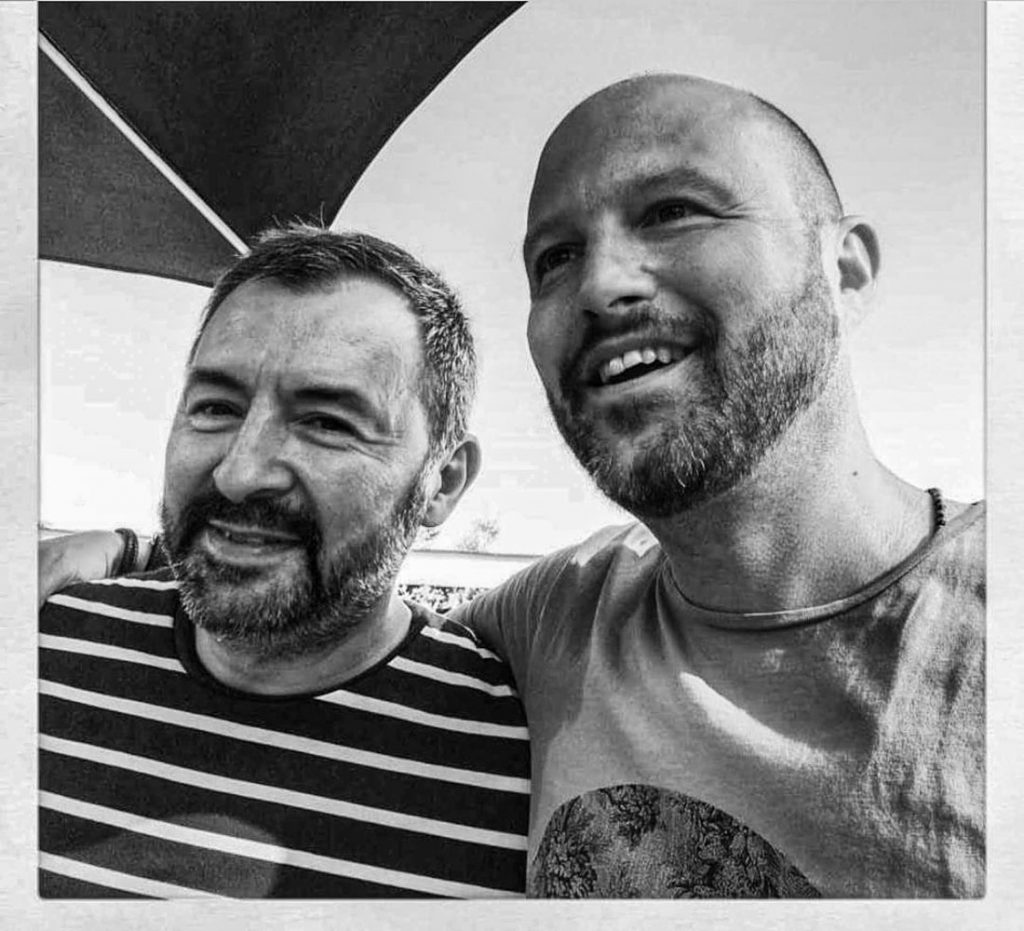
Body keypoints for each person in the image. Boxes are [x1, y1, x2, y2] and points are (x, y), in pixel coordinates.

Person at [42, 74, 984, 899]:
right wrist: (129, 550)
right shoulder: (561, 620)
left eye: (674, 210)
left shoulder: (985, 626)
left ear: (844, 267)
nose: (600, 284)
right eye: (553, 257)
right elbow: (324, 578)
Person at [38, 226, 530, 898]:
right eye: (215, 408)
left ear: (441, 483)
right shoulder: (40, 642)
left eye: (327, 422)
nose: (240, 473)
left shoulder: (520, 759)